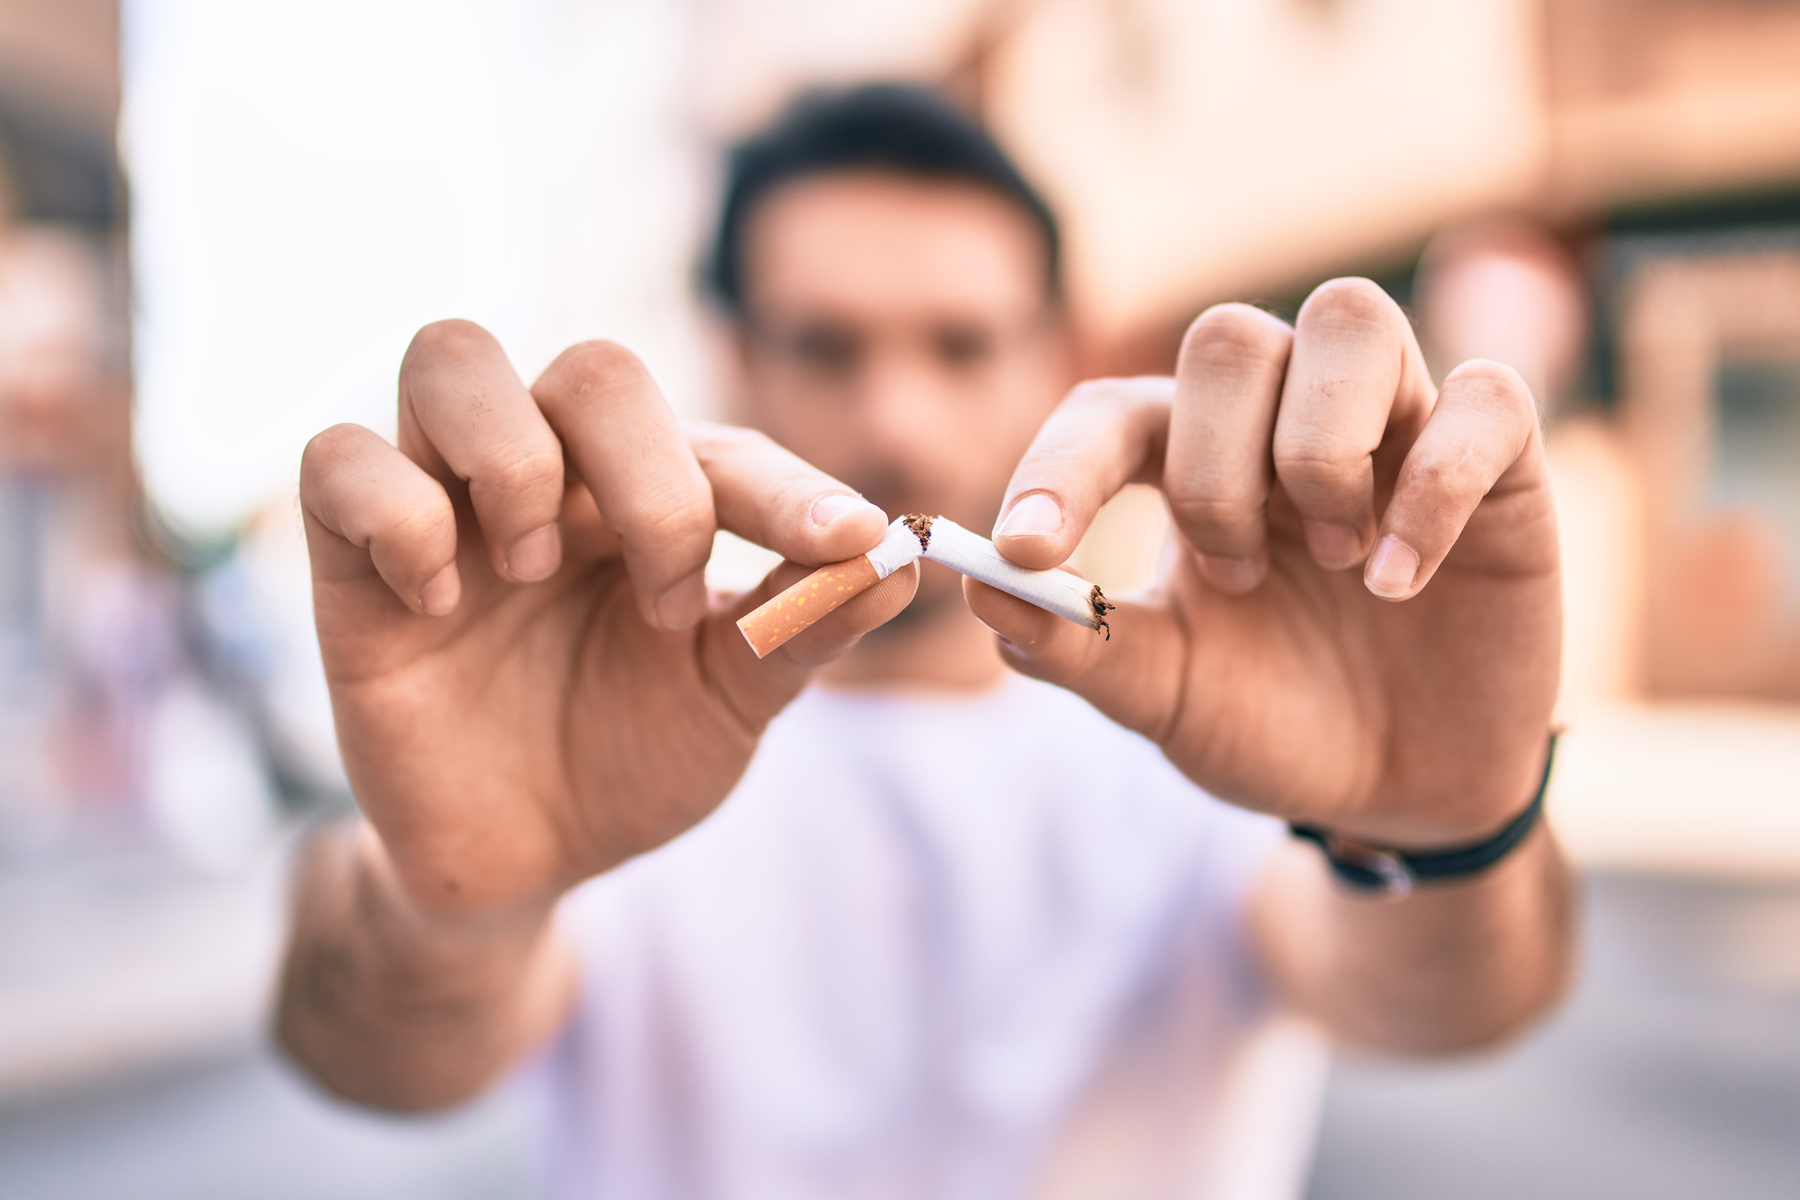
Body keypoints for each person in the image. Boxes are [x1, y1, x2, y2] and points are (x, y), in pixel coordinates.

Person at [277, 85, 1574, 1197]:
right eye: (825, 344)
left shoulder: (1214, 705)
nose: (896, 421)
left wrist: (1442, 822)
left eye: (961, 345)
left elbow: (1448, 1004)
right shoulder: (595, 703)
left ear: (1058, 353)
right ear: (728, 352)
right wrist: (458, 910)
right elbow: (367, 1055)